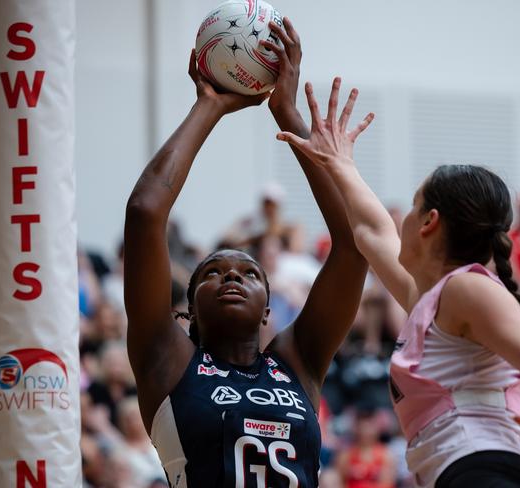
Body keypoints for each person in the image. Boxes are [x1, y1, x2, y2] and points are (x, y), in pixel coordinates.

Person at [276, 81, 520, 487]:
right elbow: (371, 230)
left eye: (411, 205)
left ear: (429, 222)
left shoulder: (467, 289)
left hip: (484, 472)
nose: (400, 219)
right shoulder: (428, 300)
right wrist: (339, 161)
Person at [124, 19, 369, 486]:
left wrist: (289, 116)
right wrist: (209, 106)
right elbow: (144, 212)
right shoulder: (168, 360)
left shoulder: (298, 359)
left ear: (268, 310)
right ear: (190, 311)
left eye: (249, 273)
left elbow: (354, 247)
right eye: (213, 273)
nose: (232, 276)